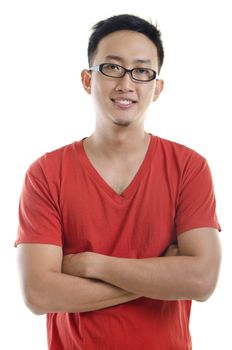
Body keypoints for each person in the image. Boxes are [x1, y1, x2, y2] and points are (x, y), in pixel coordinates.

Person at [15, 14, 221, 350]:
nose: (126, 84)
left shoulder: (188, 168)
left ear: (157, 88)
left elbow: (201, 281)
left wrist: (93, 264)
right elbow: (38, 294)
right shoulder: (46, 174)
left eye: (141, 71)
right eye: (112, 68)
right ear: (87, 79)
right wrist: (164, 276)